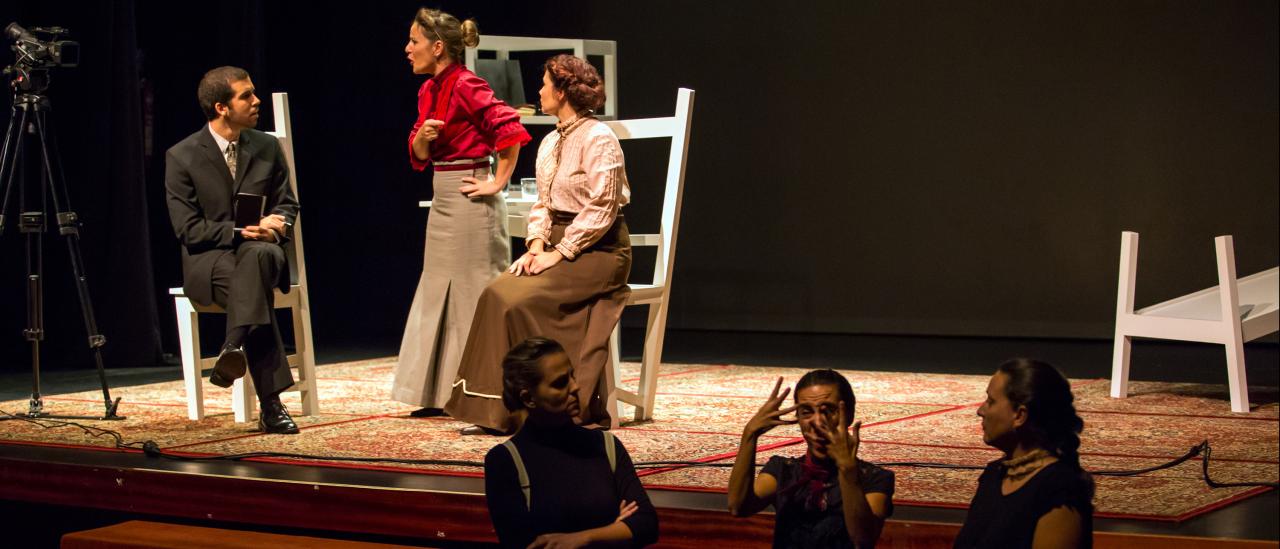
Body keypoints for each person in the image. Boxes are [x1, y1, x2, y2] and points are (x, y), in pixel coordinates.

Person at [446, 54, 631, 434]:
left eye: (546, 84)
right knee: (496, 293)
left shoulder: (599, 138)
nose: (540, 90)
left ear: (562, 91)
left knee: (518, 300)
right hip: (556, 245)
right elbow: (543, 203)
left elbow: (603, 206)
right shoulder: (549, 142)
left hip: (600, 250)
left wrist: (559, 254)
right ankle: (501, 412)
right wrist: (535, 245)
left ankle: (560, 405)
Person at [391, 8, 530, 418]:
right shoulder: (429, 90)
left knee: (473, 295)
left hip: (471, 200)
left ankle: (483, 394)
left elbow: (509, 129)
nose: (407, 48)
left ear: (437, 47)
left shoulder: (468, 83)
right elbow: (419, 153)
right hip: (444, 198)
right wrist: (423, 138)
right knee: (439, 293)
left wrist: (497, 181)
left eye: (414, 41)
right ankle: (440, 394)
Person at [165, 66, 300, 434]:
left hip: (265, 251)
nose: (256, 101)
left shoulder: (267, 147)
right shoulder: (182, 156)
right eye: (246, 95)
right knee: (251, 285)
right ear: (222, 107)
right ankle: (271, 405)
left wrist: (277, 224)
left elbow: (287, 204)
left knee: (256, 260)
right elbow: (187, 229)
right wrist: (241, 231)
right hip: (211, 261)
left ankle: (233, 345)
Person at [483, 337, 658, 548]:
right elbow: (524, 544)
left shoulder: (605, 445)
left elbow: (647, 524)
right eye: (560, 383)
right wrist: (615, 530)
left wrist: (580, 538)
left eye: (572, 376)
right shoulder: (505, 461)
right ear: (529, 398)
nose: (575, 387)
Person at [728, 370, 894, 549]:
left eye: (828, 410)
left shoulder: (873, 478)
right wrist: (749, 434)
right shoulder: (783, 470)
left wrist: (848, 471)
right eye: (806, 412)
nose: (817, 421)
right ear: (797, 418)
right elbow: (739, 507)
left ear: (849, 414)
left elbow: (863, 539)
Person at [954, 358, 1094, 549]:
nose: (981, 411)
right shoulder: (994, 475)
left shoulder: (1058, 489)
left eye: (991, 401)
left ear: (1019, 415)